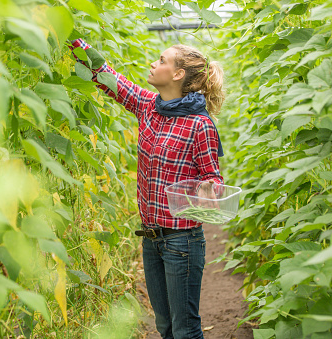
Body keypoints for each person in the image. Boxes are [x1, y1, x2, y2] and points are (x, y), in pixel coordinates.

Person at [69, 38, 224, 339]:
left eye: (162, 60)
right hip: (151, 239)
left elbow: (212, 177)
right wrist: (76, 43)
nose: (154, 64)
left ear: (178, 74)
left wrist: (209, 190)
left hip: (183, 242)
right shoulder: (149, 107)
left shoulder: (200, 125)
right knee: (165, 326)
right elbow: (110, 80)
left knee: (185, 328)